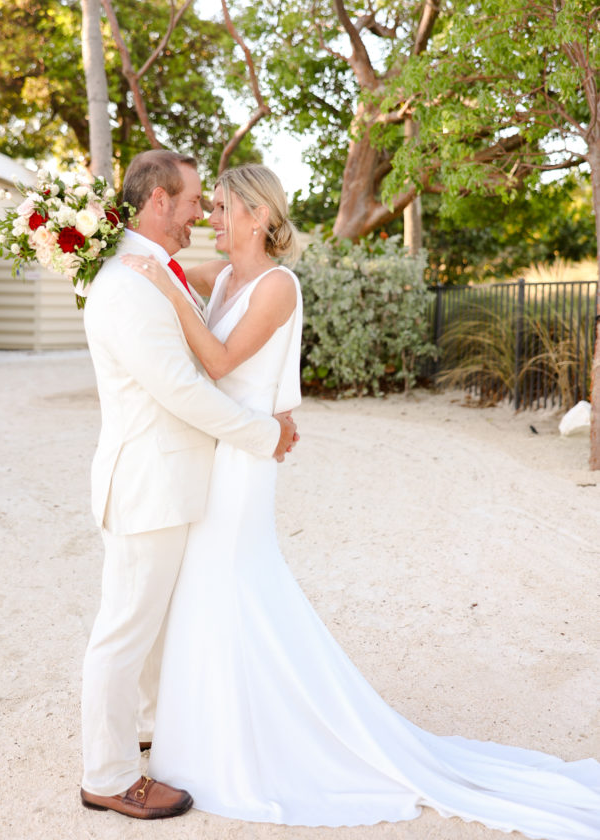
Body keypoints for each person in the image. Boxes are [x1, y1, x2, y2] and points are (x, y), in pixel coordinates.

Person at [122, 163, 600, 839]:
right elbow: (164, 269)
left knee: (232, 580)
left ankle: (253, 737)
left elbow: (222, 361)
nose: (211, 219)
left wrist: (168, 299)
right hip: (219, 449)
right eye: (212, 207)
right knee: (209, 590)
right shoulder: (220, 276)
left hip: (245, 460)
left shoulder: (276, 286)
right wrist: (123, 250)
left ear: (260, 216)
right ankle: (211, 729)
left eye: (224, 208)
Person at [79, 151, 298, 821]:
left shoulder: (156, 273)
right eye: (195, 200)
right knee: (124, 631)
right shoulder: (128, 283)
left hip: (171, 480)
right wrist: (264, 434)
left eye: (216, 203)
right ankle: (110, 775)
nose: (203, 213)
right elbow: (179, 390)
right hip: (150, 481)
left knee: (154, 626)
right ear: (156, 204)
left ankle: (149, 733)